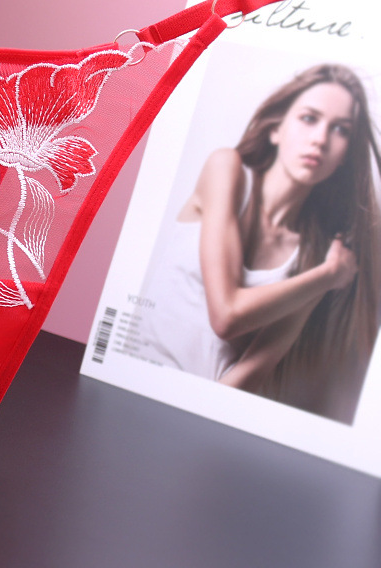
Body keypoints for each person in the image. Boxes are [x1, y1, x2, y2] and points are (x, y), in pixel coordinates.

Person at [138, 64, 381, 421]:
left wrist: (192, 419)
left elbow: (248, 374)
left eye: (340, 129)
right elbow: (226, 316)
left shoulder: (313, 258)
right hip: (136, 383)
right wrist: (329, 277)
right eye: (309, 118)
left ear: (346, 155)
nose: (320, 139)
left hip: (201, 414)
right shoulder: (227, 168)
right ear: (276, 128)